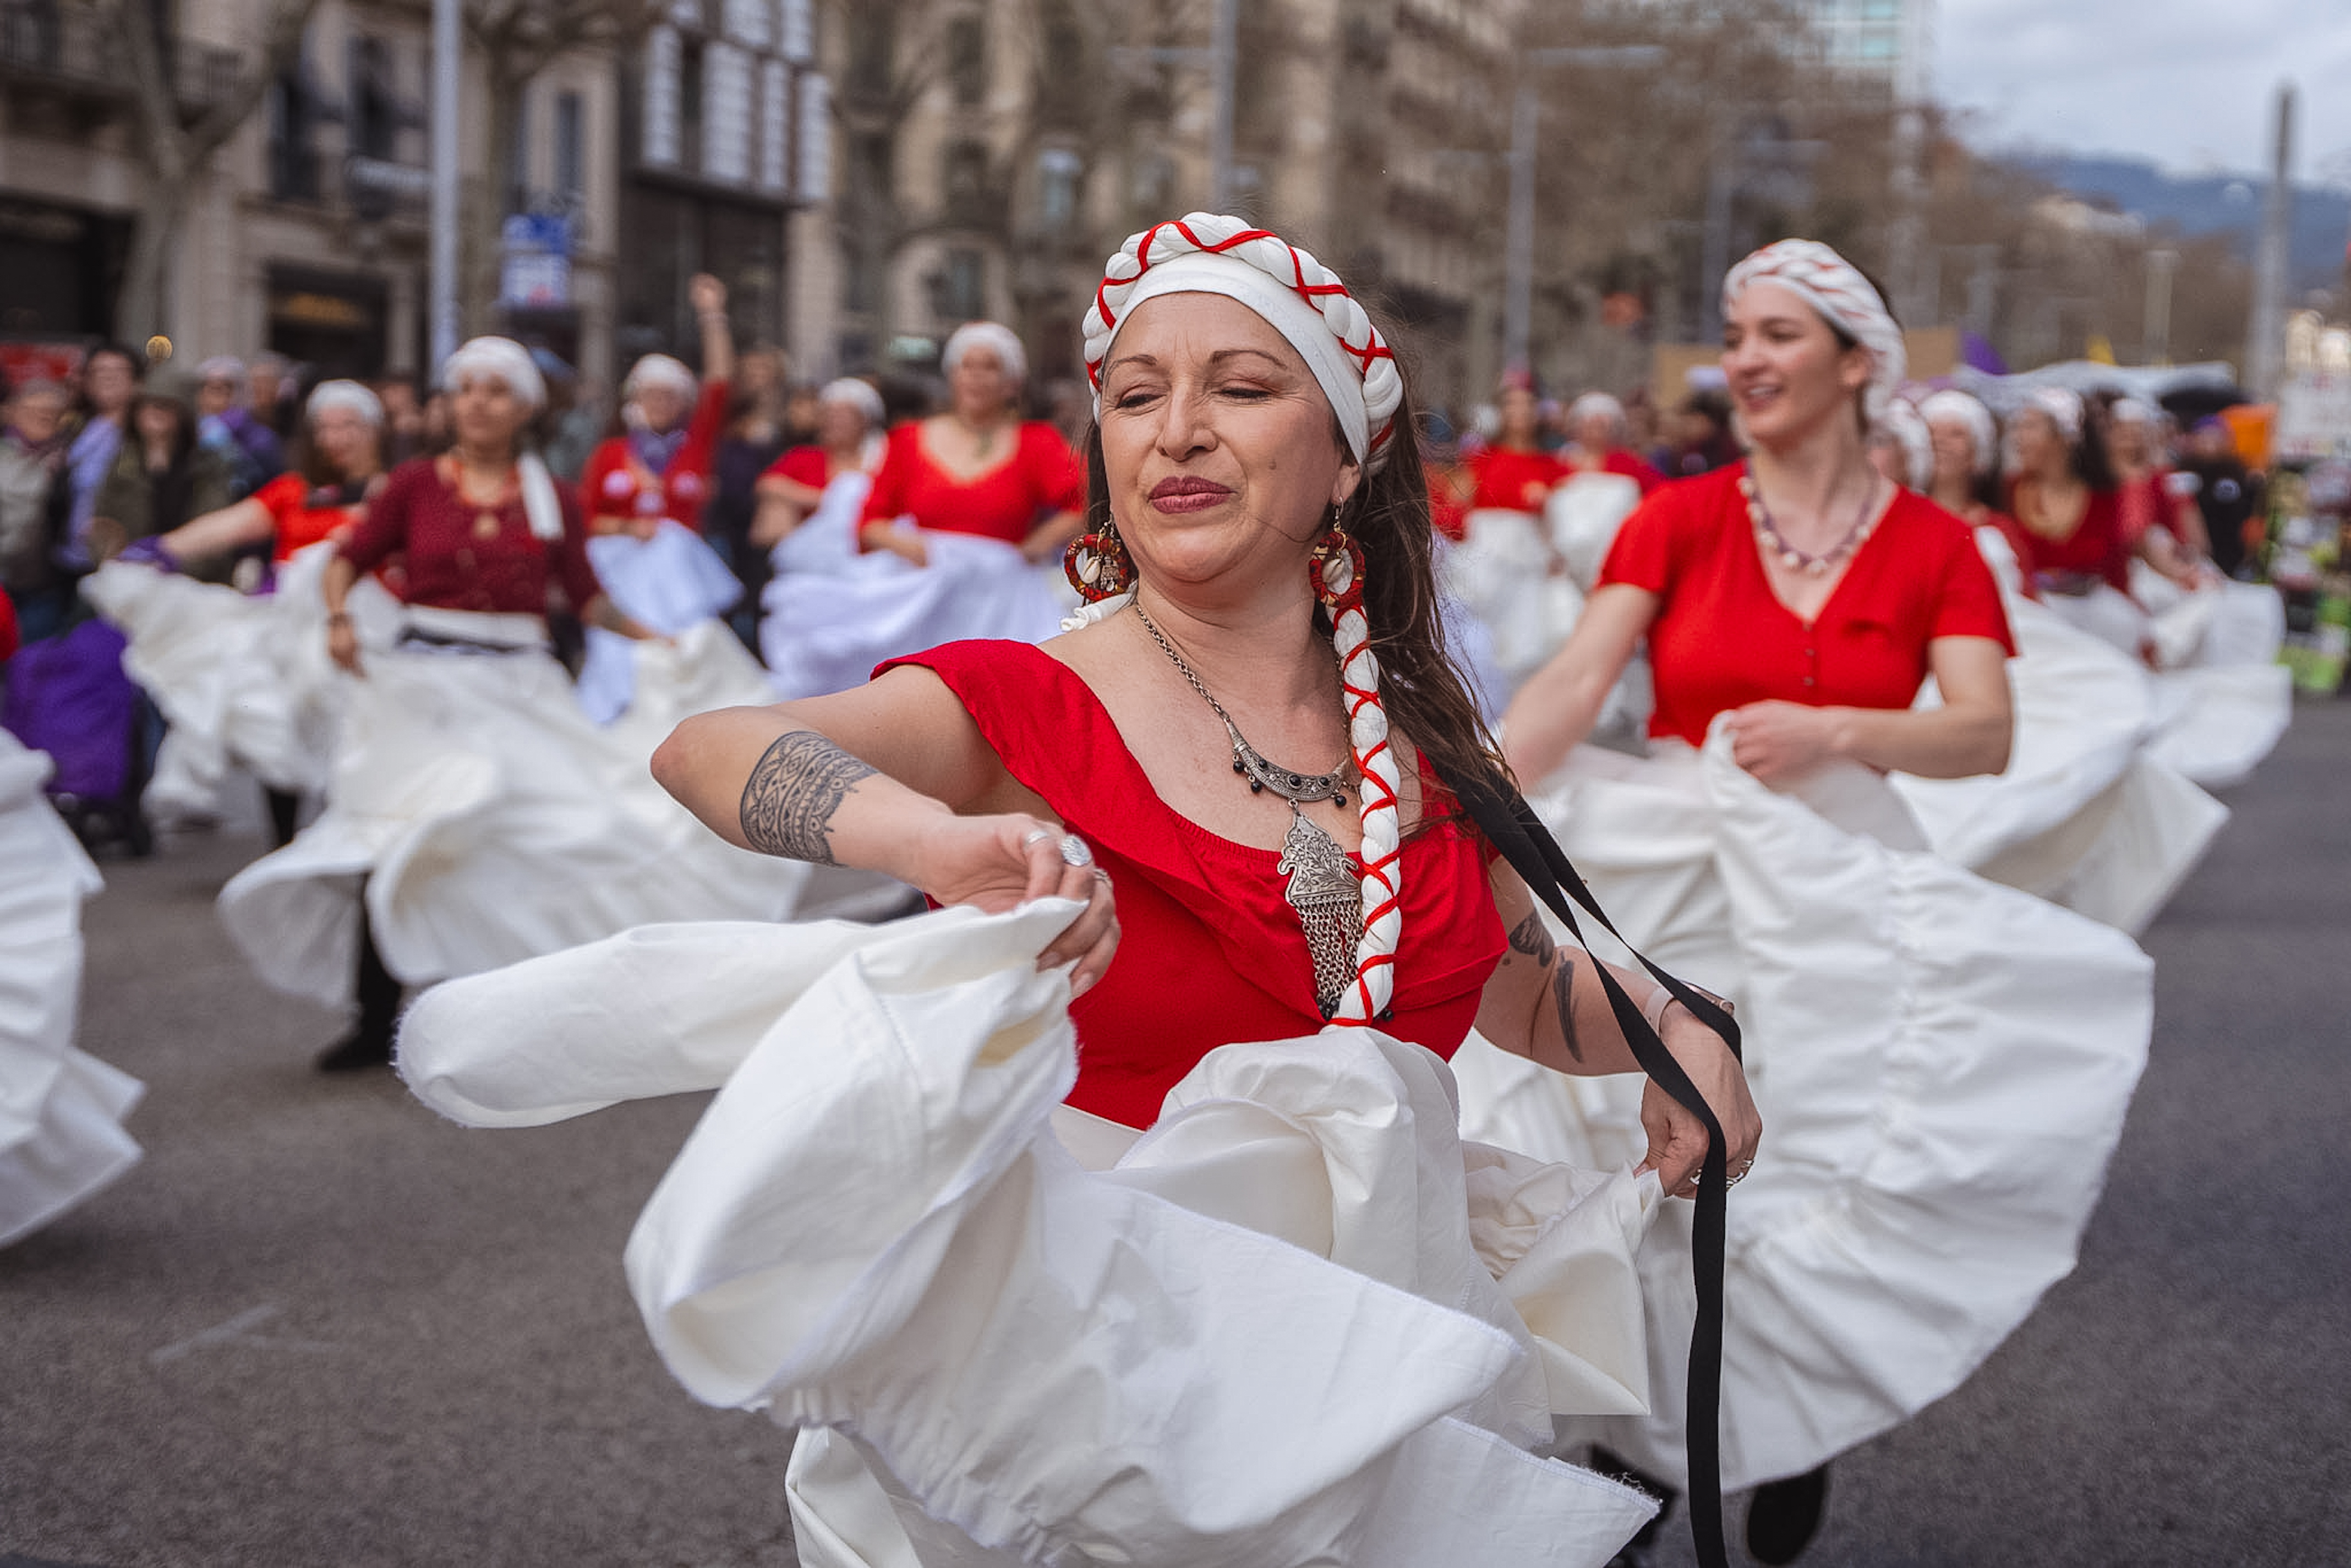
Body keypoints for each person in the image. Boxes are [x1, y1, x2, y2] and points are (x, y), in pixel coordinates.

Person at [629, 212, 1760, 1567]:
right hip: (1096, 1416)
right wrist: (924, 841)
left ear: (1347, 458)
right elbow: (710, 750)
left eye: (1240, 387)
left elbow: (1517, 986)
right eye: (1135, 394)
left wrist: (1675, 1018)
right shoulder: (1023, 703)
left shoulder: (1423, 740)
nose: (1177, 431)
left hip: (1384, 1374)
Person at [1477, 242, 2157, 1568]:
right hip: (1672, 864)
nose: (1742, 359)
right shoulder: (1676, 517)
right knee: (1632, 1162)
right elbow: (1573, 683)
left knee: (1809, 1160)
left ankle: (1790, 1416)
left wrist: (1837, 727)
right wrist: (1475, 789)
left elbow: (1981, 733)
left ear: (1856, 364)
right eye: (1734, 334)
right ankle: (1633, 1455)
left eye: (1776, 333)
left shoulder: (1936, 546)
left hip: (1837, 875)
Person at [216, 336, 811, 1074]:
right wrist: (338, 619)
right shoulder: (415, 485)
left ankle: (545, 1007)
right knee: (396, 841)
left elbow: (588, 598)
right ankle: (375, 1021)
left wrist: (664, 637)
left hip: (522, 686)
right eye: (466, 388)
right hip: (422, 689)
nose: (478, 402)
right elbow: (348, 559)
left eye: (496, 390)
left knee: (572, 829)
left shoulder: (553, 499)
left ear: (525, 407)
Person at [86, 380, 395, 840]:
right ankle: (284, 839)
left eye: (349, 426)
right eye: (326, 428)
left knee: (351, 734)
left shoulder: (394, 492)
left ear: (374, 430)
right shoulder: (294, 490)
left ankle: (353, 836)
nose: (337, 438)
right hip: (290, 626)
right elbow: (236, 523)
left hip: (362, 629)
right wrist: (163, 549)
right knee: (278, 715)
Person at [572, 277, 745, 723]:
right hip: (623, 573)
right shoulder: (611, 454)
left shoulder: (694, 448)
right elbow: (584, 517)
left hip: (680, 579)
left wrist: (712, 315)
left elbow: (721, 383)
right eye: (652, 393)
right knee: (621, 654)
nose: (661, 402)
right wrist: (630, 528)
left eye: (671, 394)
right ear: (635, 398)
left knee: (691, 644)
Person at [855, 320, 1085, 568]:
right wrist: (918, 550)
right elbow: (870, 522)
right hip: (928, 589)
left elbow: (1086, 503)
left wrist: (1036, 546)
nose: (976, 376)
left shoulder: (1037, 442)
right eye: (966, 366)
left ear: (1013, 384)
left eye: (990, 367)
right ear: (952, 376)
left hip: (1002, 590)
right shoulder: (907, 439)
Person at [1998, 388, 2195, 660]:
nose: (2019, 438)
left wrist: (2181, 576)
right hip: (2033, 624)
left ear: (2063, 437)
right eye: (2018, 428)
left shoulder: (2105, 497)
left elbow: (2123, 561)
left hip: (2094, 621)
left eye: (2031, 428)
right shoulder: (2006, 493)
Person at [83, 384, 233, 573]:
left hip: (190, 580)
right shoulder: (122, 463)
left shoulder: (206, 465)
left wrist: (175, 567)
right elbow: (102, 520)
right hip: (130, 578)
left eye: (165, 406)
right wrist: (114, 562)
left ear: (182, 413)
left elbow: (217, 525)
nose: (156, 413)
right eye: (147, 406)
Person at [1, 376, 73, 633]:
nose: (43, 417)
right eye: (33, 411)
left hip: (44, 584)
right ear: (14, 412)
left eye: (51, 413)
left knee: (33, 661)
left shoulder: (68, 458)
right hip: (2, 581)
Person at [60, 343, 140, 570]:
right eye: (100, 371)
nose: (108, 378)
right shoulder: (74, 428)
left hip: (122, 561)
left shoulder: (146, 433)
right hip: (71, 558)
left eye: (118, 371)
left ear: (137, 381)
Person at [2178, 417, 2261, 579]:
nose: (2210, 443)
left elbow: (2249, 516)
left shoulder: (2237, 472)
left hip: (2231, 554)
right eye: (2204, 437)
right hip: (2193, 552)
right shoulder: (2185, 471)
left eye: (2215, 437)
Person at [193, 355, 286, 498]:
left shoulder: (262, 439)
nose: (219, 396)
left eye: (227, 388)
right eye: (211, 388)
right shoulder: (189, 429)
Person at [1562, 392, 1666, 495]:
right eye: (1589, 425)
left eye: (1601, 426)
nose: (1594, 432)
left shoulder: (1628, 463)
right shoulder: (1561, 462)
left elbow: (1660, 490)